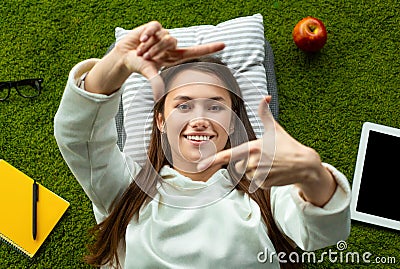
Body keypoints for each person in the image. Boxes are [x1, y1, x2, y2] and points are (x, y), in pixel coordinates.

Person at [54, 21, 351, 269]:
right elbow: (79, 137)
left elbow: (324, 234)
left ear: (234, 121)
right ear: (160, 121)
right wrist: (118, 61)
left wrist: (312, 174)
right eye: (183, 106)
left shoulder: (265, 190)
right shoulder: (126, 186)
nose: (199, 120)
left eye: (215, 107)